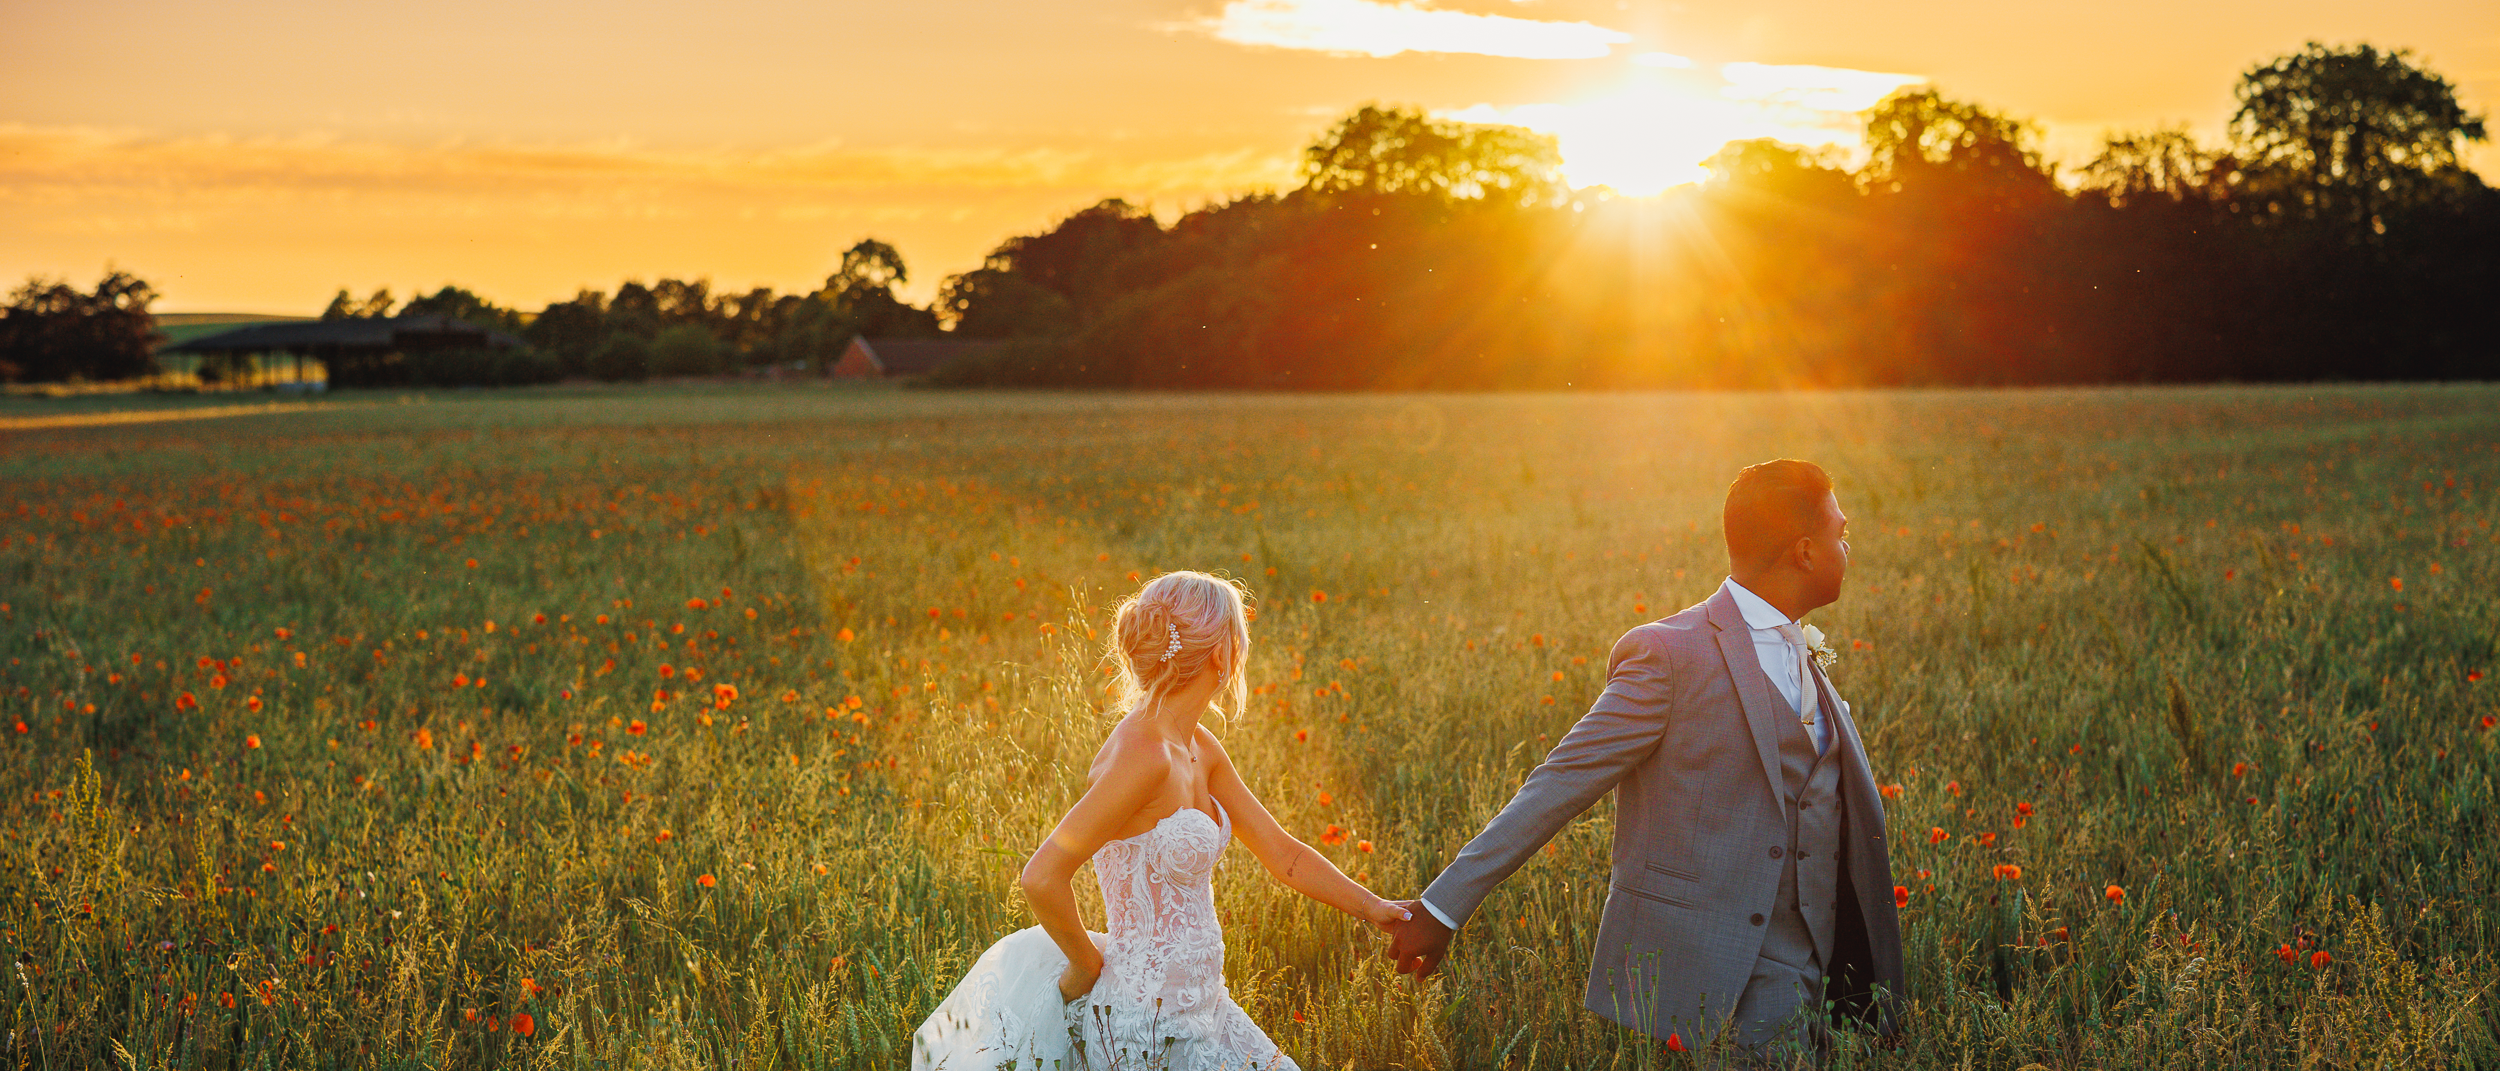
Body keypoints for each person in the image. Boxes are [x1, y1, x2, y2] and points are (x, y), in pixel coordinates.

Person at [1385, 459, 1905, 1061]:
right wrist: (1443, 907)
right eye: (1842, 534)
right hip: (1722, 972)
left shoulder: (1800, 652)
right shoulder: (1669, 655)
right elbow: (1560, 781)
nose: (1848, 548)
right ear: (1806, 552)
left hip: (1828, 970)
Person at [914, 570, 1407, 1071]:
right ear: (1221, 652)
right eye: (1240, 638)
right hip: (1144, 1026)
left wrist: (1372, 907)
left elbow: (1284, 855)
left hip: (1207, 1008)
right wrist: (1086, 963)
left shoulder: (1199, 746)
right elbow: (1042, 875)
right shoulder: (1144, 753)